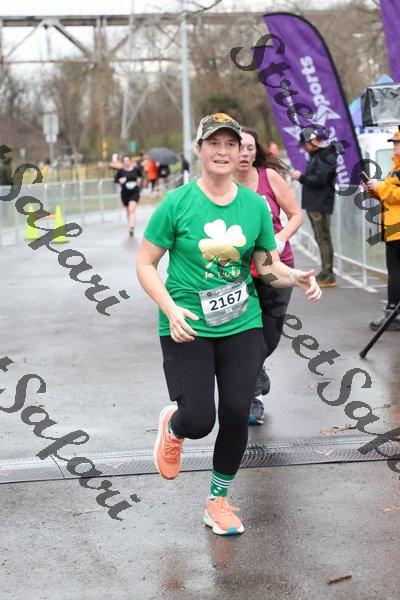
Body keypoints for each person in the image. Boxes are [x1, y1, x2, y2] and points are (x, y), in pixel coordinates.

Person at [136, 112, 322, 537]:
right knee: (201, 420)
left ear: (241, 151)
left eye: (230, 144)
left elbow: (264, 264)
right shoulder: (177, 203)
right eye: (214, 143)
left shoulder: (254, 206)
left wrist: (294, 276)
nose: (223, 151)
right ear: (199, 149)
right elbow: (145, 263)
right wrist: (170, 308)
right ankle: (176, 426)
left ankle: (217, 501)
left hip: (242, 321)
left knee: (237, 413)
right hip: (187, 324)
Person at [234, 128, 303, 425]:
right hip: (239, 270)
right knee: (246, 336)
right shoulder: (222, 182)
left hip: (275, 266)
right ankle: (253, 398)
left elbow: (296, 214)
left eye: (250, 147)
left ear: (256, 151)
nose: (245, 153)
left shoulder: (269, 177)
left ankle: (258, 368)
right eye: (240, 147)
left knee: (270, 336)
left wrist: (282, 237)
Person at [291, 129, 338, 288]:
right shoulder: (320, 155)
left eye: (305, 144)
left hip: (320, 203)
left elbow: (320, 179)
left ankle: (328, 274)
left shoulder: (325, 155)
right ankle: (326, 272)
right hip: (316, 203)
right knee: (322, 238)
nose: (305, 148)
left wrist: (300, 177)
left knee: (323, 237)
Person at [365, 127, 400, 331]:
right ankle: (392, 313)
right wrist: (374, 190)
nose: (394, 146)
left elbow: (395, 194)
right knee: (394, 272)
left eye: (397, 142)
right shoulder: (395, 168)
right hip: (393, 229)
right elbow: (390, 194)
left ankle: (392, 314)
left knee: (395, 273)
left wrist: (381, 188)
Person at [114, 154, 142, 237]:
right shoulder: (120, 171)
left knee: (131, 209)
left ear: (130, 161)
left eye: (128, 160)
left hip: (134, 191)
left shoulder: (136, 169)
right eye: (124, 161)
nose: (126, 162)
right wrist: (120, 180)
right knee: (128, 210)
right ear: (123, 162)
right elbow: (115, 180)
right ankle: (130, 224)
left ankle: (131, 227)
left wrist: (138, 182)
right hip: (125, 192)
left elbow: (140, 176)